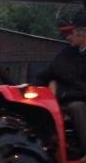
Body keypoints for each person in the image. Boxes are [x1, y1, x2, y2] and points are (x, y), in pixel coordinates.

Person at [35, 9, 86, 154]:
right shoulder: (65, 56)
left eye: (71, 33)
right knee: (78, 107)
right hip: (72, 101)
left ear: (82, 33)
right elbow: (44, 76)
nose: (68, 37)